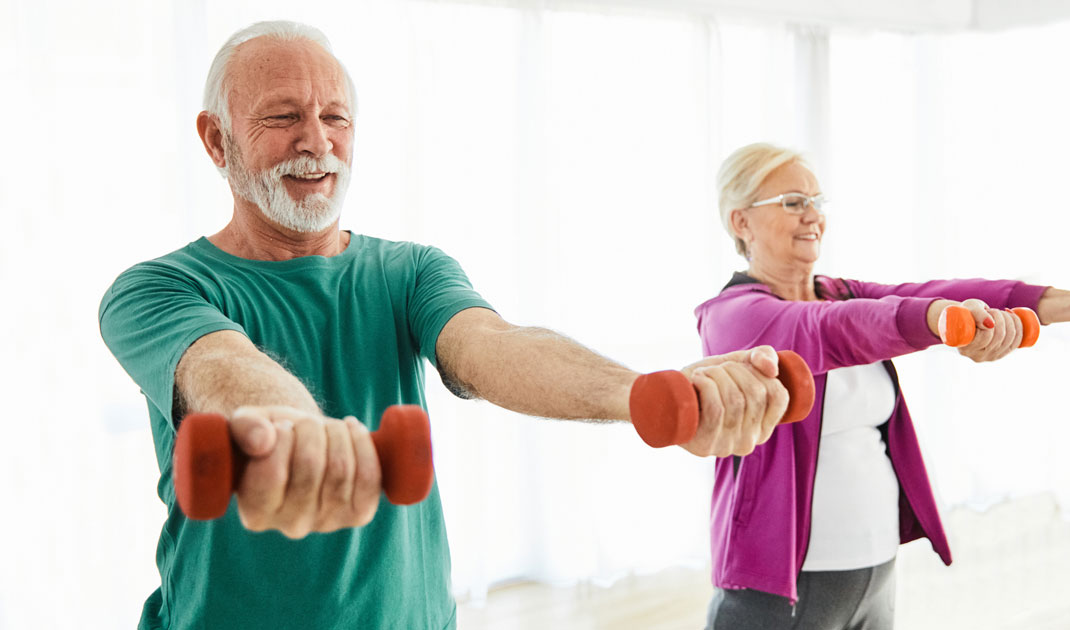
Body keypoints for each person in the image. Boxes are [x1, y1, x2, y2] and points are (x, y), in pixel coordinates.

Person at [98, 22, 793, 630]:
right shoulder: (160, 287)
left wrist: (649, 392)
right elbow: (222, 366)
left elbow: (491, 347)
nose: (317, 141)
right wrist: (293, 432)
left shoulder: (411, 271)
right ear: (217, 140)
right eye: (283, 116)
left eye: (336, 117)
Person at [699, 142, 1070, 630]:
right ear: (741, 222)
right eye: (793, 202)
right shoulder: (733, 317)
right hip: (777, 591)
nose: (813, 215)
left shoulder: (839, 292)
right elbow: (838, 329)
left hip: (872, 572)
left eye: (818, 201)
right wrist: (941, 321)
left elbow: (932, 294)